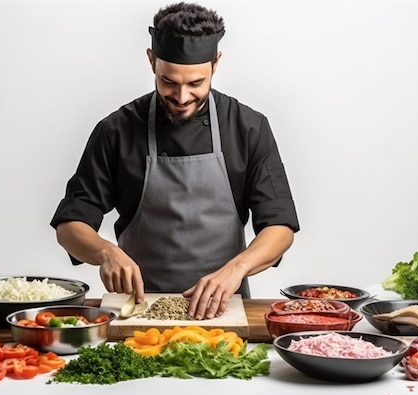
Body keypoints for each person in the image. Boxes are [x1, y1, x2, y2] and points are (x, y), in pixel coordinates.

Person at [50, 2, 300, 320]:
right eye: (168, 81)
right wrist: (105, 252)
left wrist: (237, 269)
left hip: (223, 310)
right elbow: (70, 224)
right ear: (151, 61)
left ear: (216, 63)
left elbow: (279, 227)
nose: (182, 97)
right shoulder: (116, 130)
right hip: (136, 310)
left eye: (196, 83)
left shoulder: (248, 127)